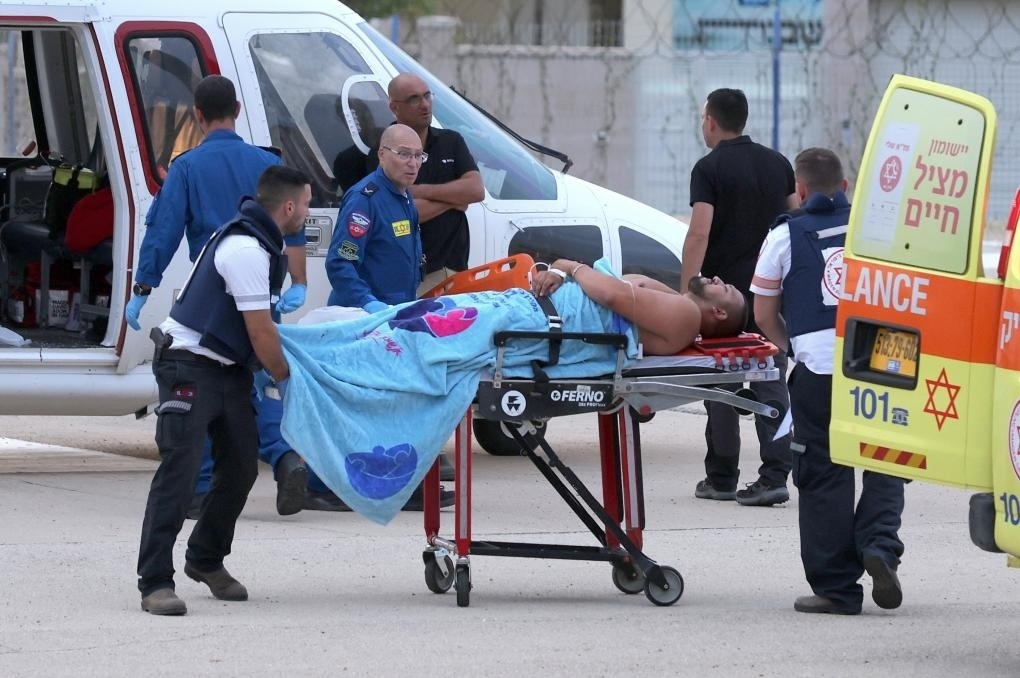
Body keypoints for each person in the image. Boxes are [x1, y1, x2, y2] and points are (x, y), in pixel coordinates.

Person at [125, 74, 319, 517]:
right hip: (262, 295)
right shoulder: (267, 164)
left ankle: (202, 489)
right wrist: (299, 283)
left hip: (213, 300)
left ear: (197, 115)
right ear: (238, 109)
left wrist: (142, 289)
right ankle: (286, 457)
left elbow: (163, 232)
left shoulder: (187, 167)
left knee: (205, 388)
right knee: (260, 385)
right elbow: (294, 227)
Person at [137, 165, 311, 616]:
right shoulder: (245, 250)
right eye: (306, 205)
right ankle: (155, 582)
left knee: (240, 468)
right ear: (288, 207)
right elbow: (261, 332)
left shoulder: (263, 243)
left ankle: (205, 559)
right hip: (188, 365)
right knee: (180, 472)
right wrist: (289, 381)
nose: (307, 214)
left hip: (227, 369)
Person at [750, 148, 905, 615]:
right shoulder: (878, 228)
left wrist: (794, 347)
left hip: (819, 369)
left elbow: (763, 313)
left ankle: (837, 589)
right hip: (881, 361)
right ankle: (879, 545)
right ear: (846, 186)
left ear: (799, 190)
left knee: (822, 473)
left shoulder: (784, 234)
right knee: (885, 458)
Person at [326, 122, 455, 510]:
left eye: (418, 156)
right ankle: (380, 486)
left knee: (398, 407)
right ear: (382, 154)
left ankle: (401, 484)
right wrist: (370, 305)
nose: (413, 163)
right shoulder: (364, 199)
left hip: (398, 318)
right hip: (368, 321)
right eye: (404, 154)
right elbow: (341, 264)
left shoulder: (403, 197)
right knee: (376, 409)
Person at [682, 87, 799, 507]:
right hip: (771, 294)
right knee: (771, 378)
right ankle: (775, 475)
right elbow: (794, 221)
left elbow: (700, 231)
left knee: (721, 385)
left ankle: (721, 477)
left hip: (724, 301)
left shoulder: (708, 168)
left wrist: (687, 290)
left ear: (711, 121)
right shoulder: (778, 164)